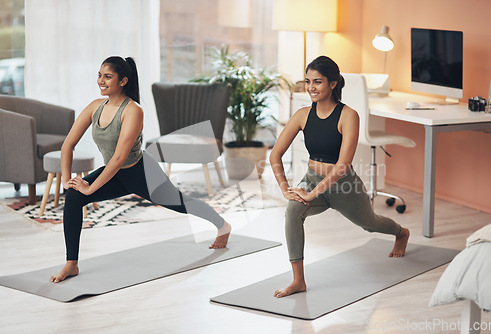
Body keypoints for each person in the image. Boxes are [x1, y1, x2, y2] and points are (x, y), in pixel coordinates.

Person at [50, 56, 231, 283]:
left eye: (108, 76)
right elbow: (68, 144)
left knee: (180, 203)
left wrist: (90, 188)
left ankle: (222, 226)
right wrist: (68, 180)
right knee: (74, 197)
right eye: (99, 75)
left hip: (141, 173)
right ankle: (71, 264)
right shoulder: (95, 107)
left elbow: (118, 158)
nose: (101, 81)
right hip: (115, 174)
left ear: (123, 80)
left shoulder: (133, 110)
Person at [269, 55, 410, 298]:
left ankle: (401, 232)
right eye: (307, 81)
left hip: (344, 186)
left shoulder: (348, 115)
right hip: (312, 179)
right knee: (293, 210)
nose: (311, 87)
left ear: (333, 84)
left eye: (318, 82)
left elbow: (343, 165)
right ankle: (298, 281)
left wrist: (313, 194)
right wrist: (285, 189)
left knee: (370, 224)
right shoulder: (302, 115)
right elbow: (275, 155)